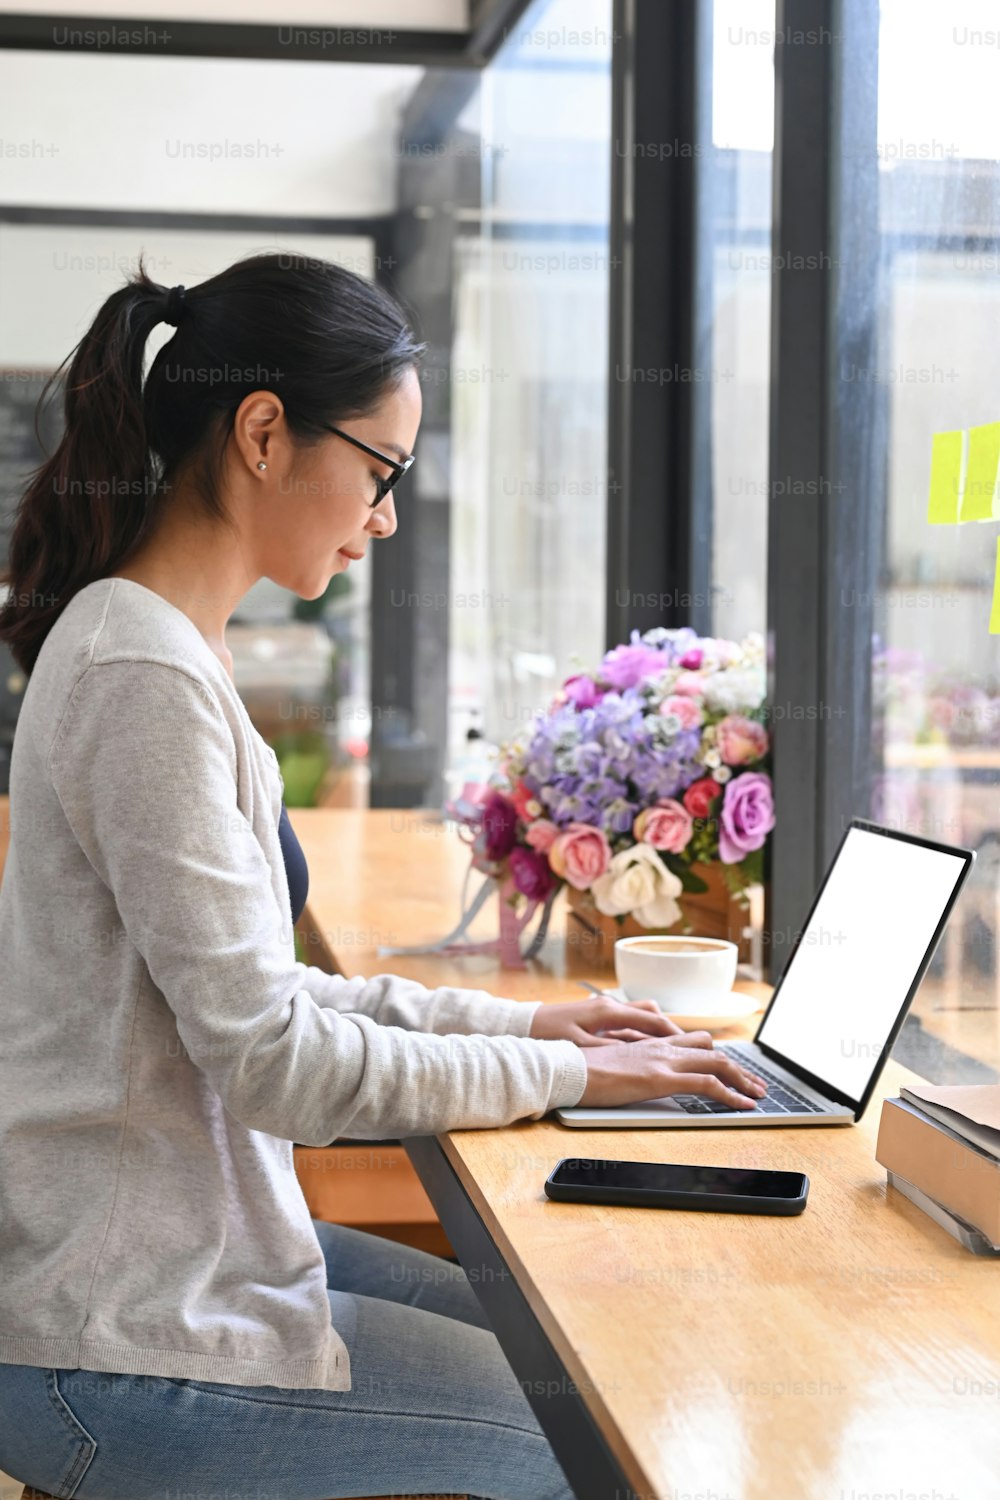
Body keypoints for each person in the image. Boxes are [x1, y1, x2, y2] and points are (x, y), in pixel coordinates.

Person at [0, 253, 766, 1499]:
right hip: (108, 1338)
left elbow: (282, 1002)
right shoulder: (141, 676)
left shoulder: (160, 650)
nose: (387, 515)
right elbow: (278, 1066)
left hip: (168, 1259)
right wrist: (571, 1072)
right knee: (608, 1434)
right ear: (263, 432)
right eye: (381, 471)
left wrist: (533, 1025)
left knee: (553, 1338)